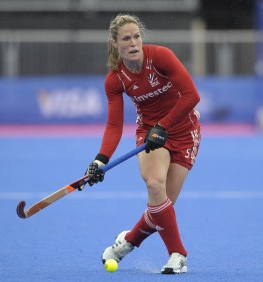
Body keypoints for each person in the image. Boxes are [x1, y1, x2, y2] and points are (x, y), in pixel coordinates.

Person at [80, 13, 201, 274]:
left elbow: (192, 95)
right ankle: (178, 255)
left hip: (184, 130)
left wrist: (164, 126)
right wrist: (101, 159)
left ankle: (128, 241)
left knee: (163, 204)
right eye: (126, 38)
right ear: (115, 43)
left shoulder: (160, 57)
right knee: (155, 185)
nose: (133, 43)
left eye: (136, 36)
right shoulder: (115, 80)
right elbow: (114, 125)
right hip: (150, 133)